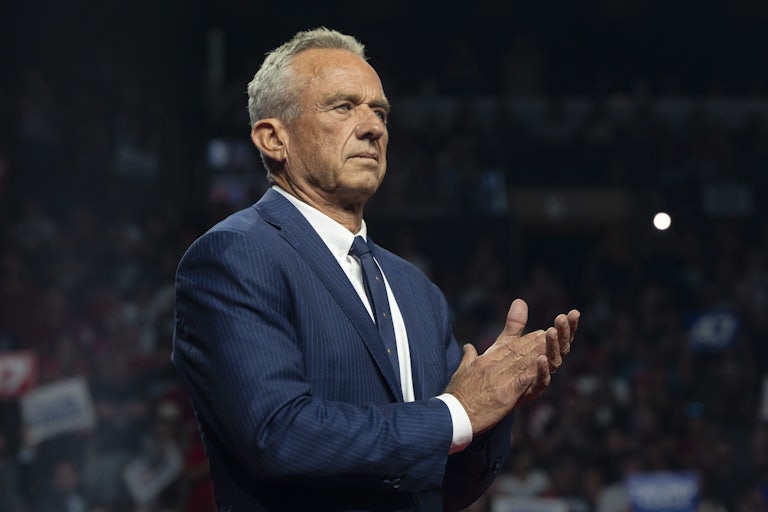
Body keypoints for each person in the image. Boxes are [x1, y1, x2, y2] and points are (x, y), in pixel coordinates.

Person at [171, 27, 580, 512]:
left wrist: (495, 405)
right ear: (273, 138)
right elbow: (277, 435)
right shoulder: (234, 257)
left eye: (380, 112)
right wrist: (458, 411)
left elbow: (447, 483)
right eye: (343, 107)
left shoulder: (417, 290)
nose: (374, 128)